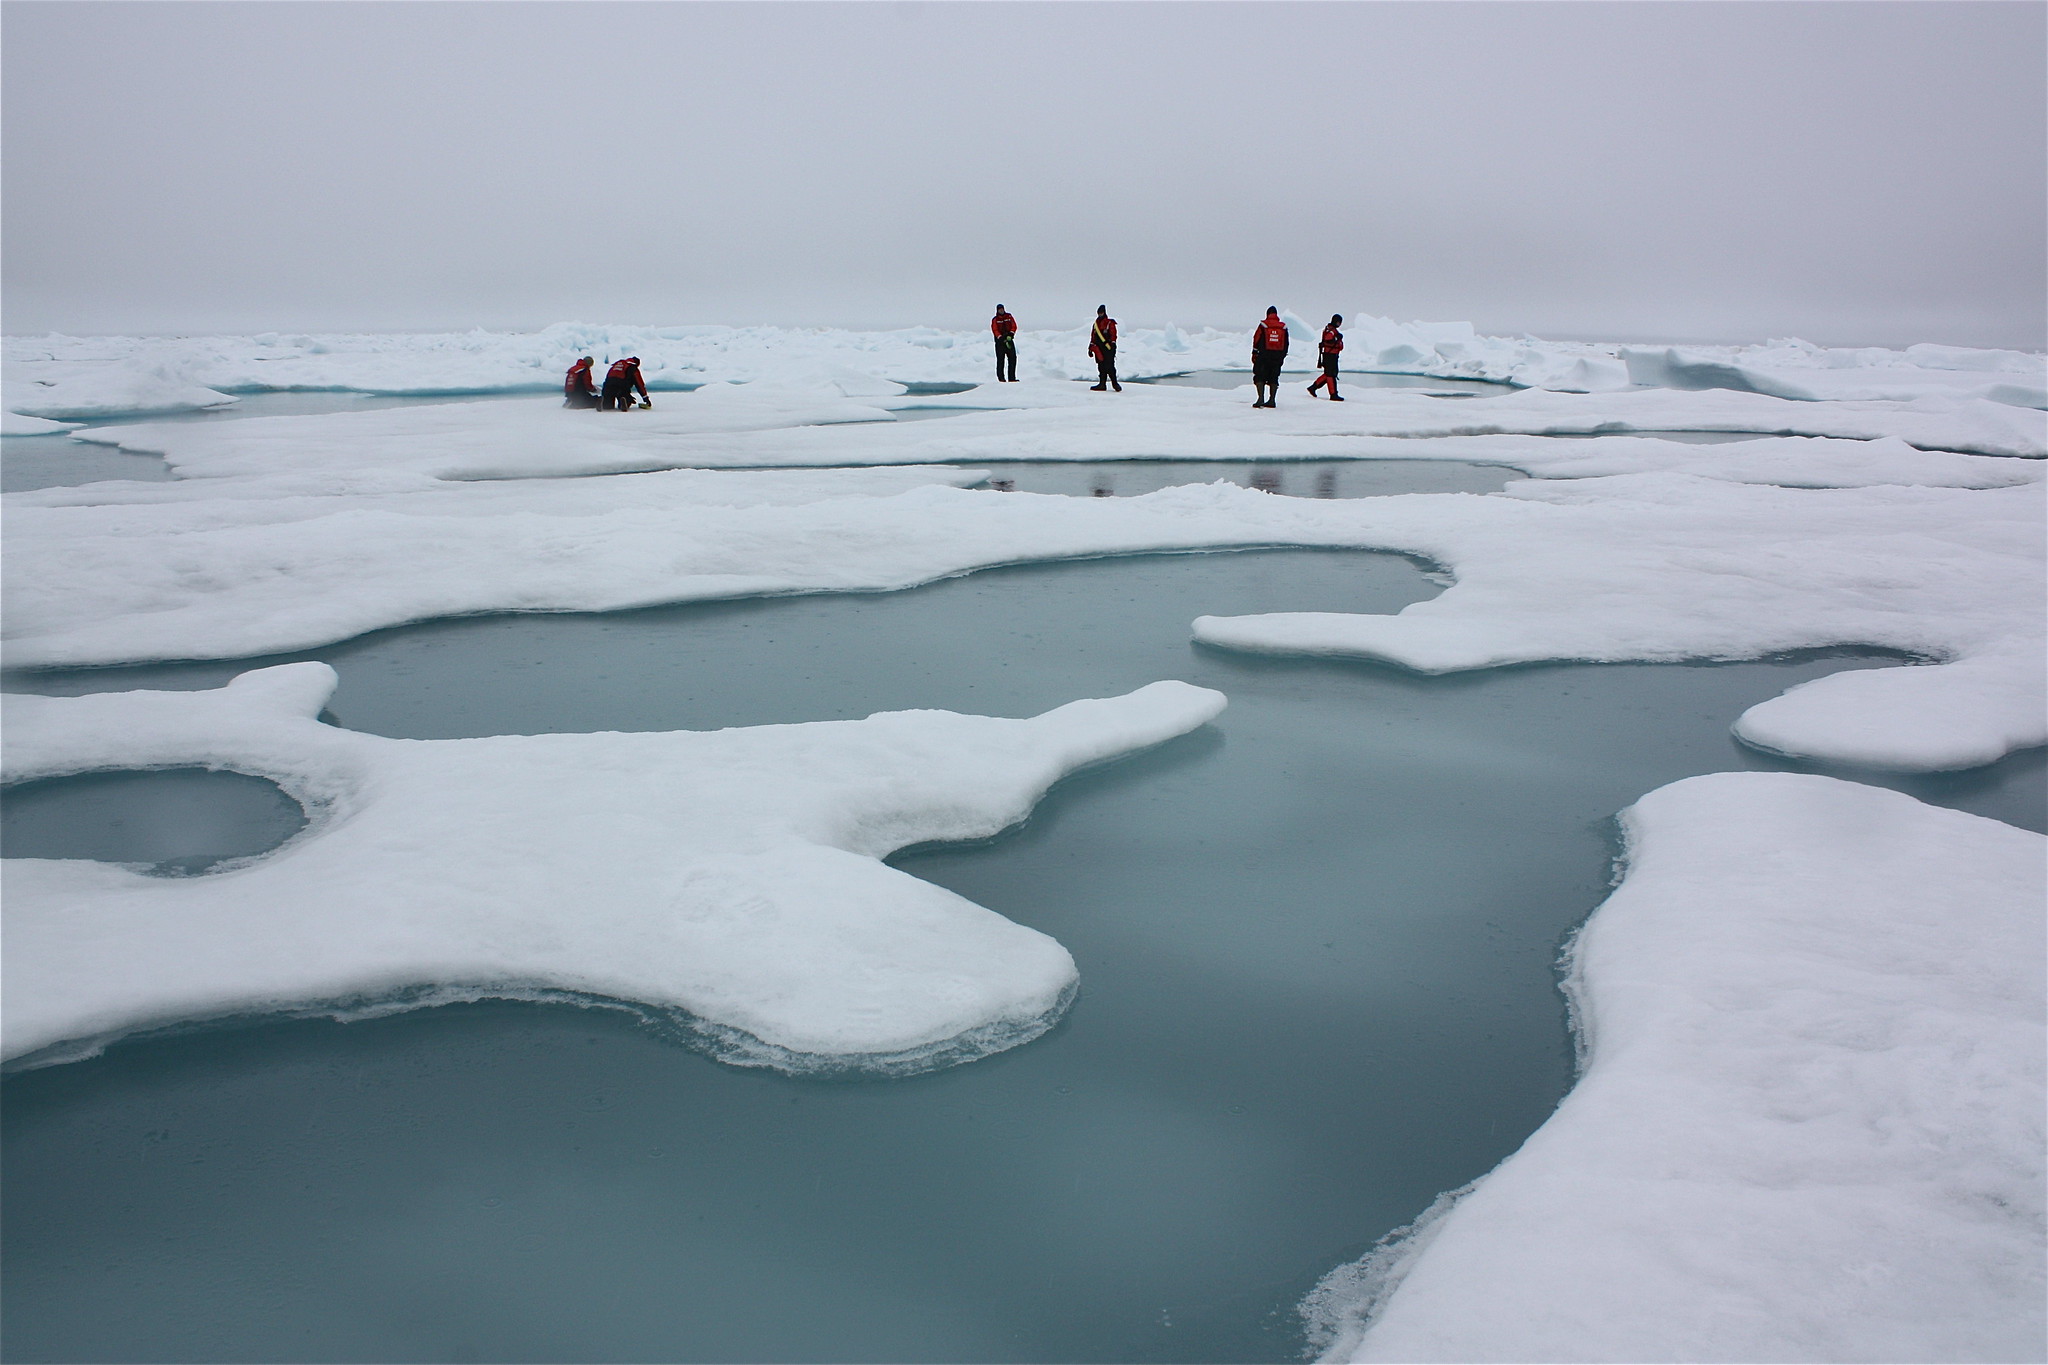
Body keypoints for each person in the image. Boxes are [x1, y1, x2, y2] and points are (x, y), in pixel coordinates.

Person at [1251, 307, 1288, 407]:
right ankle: (1272, 400)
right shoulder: (1283, 327)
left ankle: (1260, 399)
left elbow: (1256, 338)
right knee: (1274, 376)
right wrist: (1282, 356)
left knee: (1259, 375)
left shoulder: (1263, 325)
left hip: (1263, 355)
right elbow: (1286, 343)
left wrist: (1254, 352)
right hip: (1277, 356)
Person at [1308, 315, 1345, 400]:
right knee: (1330, 375)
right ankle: (1333, 394)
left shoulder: (1331, 330)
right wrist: (1337, 338)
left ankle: (1313, 387)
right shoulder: (1331, 331)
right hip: (1330, 356)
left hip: (1331, 355)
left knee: (1329, 374)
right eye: (1338, 322)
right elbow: (1328, 340)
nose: (1339, 324)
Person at [1088, 306, 1121, 392]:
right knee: (1101, 366)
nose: (1100, 314)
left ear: (1104, 312)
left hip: (1108, 348)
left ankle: (1115, 384)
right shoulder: (1095, 324)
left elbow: (1113, 334)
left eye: (1101, 313)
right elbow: (1093, 336)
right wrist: (1090, 348)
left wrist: (1113, 344)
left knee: (1110, 366)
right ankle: (1102, 384)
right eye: (1099, 313)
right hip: (1098, 349)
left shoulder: (1109, 323)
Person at [991, 305, 1019, 382]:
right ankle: (1001, 379)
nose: (1001, 311)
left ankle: (1012, 378)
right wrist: (1000, 337)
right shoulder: (995, 319)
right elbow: (995, 329)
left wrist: (1011, 334)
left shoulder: (1009, 316)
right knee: (1000, 361)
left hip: (1009, 340)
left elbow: (1014, 326)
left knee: (1013, 359)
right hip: (1000, 343)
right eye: (1000, 310)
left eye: (1002, 309)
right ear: (997, 310)